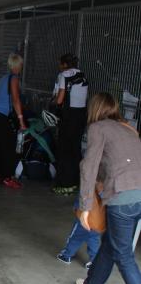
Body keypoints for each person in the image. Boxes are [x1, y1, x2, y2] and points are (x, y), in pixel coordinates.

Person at [75, 92, 141, 284]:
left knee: (123, 254)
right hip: (138, 194)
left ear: (94, 109)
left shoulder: (98, 128)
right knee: (111, 243)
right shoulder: (129, 128)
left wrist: (85, 206)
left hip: (123, 198)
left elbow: (89, 166)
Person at [0, 53, 26, 189]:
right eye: (21, 64)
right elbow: (15, 100)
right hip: (0, 115)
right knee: (9, 146)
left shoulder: (4, 78)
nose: (21, 66)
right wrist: (21, 121)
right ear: (17, 65)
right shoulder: (14, 79)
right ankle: (7, 177)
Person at [52, 53, 88, 195]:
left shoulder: (64, 75)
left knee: (64, 150)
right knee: (75, 148)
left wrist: (52, 102)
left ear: (65, 64)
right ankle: (76, 181)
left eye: (60, 63)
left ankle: (64, 183)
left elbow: (60, 100)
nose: (59, 66)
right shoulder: (82, 75)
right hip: (80, 116)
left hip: (68, 116)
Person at [57, 193, 101, 269]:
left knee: (75, 238)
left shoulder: (89, 185)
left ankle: (66, 255)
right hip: (97, 221)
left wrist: (76, 208)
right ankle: (94, 262)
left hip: (83, 219)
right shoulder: (107, 187)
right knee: (94, 240)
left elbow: (82, 198)